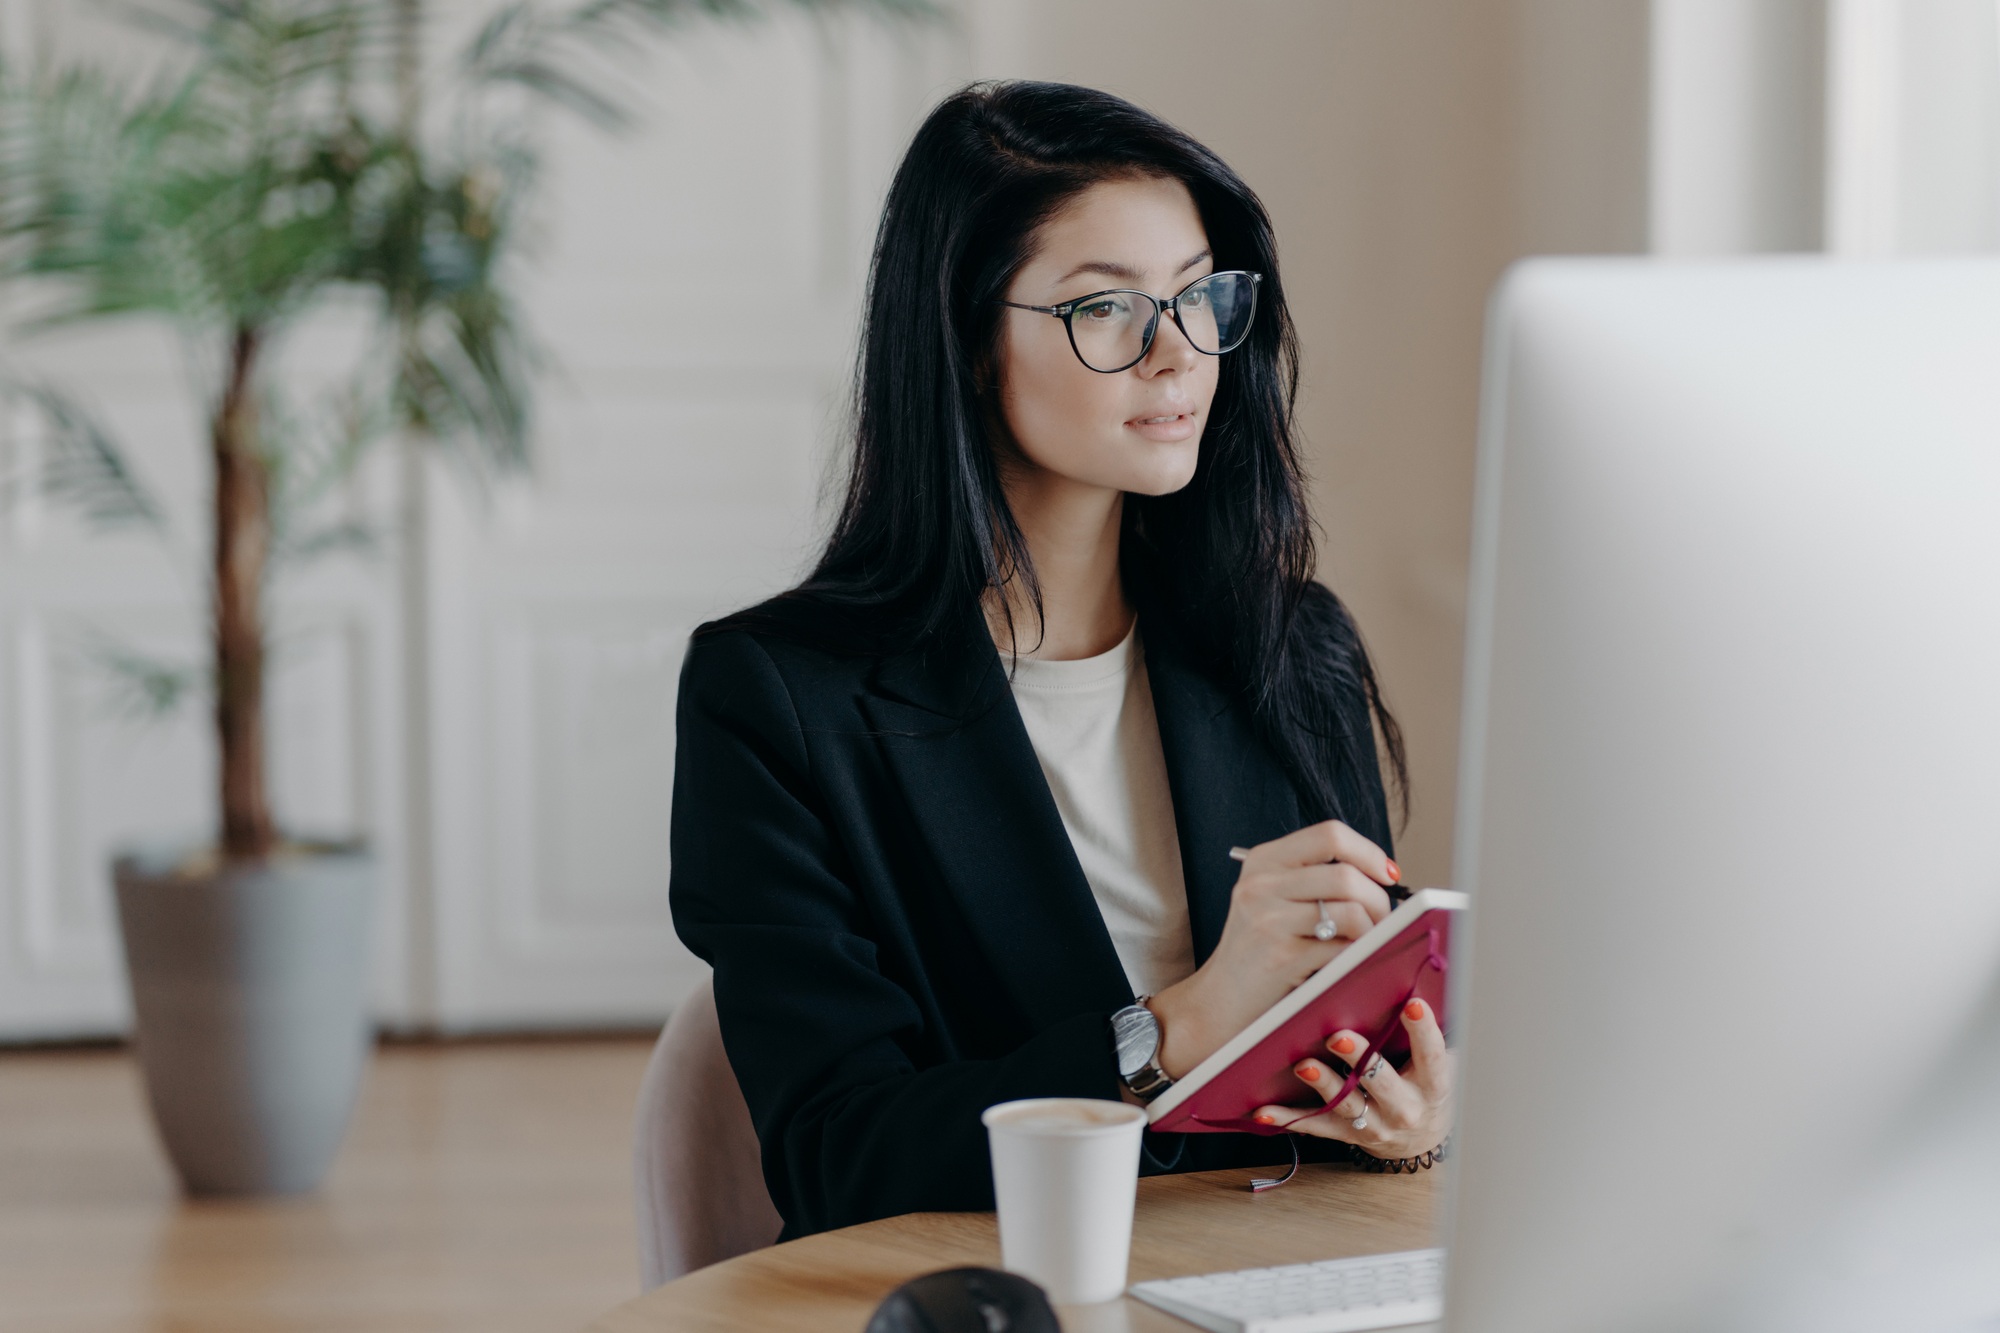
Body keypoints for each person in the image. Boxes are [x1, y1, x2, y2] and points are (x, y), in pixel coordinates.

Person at [669, 80, 1452, 1241]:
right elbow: (843, 1158)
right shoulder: (776, 699)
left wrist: (1409, 1115)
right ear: (969, 341)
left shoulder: (1291, 645)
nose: (1176, 353)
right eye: (1106, 310)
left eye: (1198, 296)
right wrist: (1172, 1028)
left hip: (1265, 1272)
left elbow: (1348, 1052)